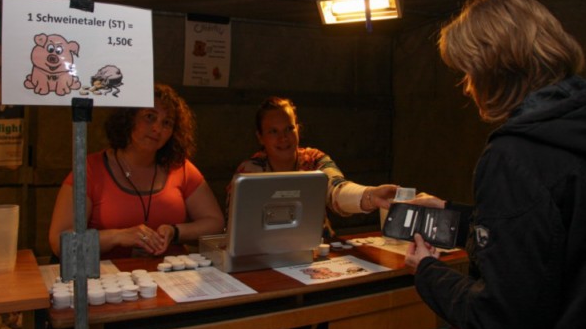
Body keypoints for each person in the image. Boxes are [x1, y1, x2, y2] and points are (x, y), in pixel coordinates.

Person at [404, 0, 586, 329]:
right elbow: (552, 232)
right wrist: (457, 215)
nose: (467, 87)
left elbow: (500, 317)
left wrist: (428, 271)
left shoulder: (513, 155)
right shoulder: (580, 126)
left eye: (468, 73)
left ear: (492, 71)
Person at [49, 83, 225, 260]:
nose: (157, 129)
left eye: (167, 123)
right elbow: (59, 242)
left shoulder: (180, 167)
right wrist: (118, 236)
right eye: (150, 117)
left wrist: (175, 232)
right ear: (129, 118)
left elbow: (216, 224)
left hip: (171, 272)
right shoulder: (90, 169)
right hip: (111, 273)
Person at [227, 96, 398, 237]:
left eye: (289, 129)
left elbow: (337, 189)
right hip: (264, 254)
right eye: (273, 131)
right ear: (260, 137)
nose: (283, 138)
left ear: (298, 129)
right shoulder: (248, 171)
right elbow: (234, 225)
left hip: (317, 250)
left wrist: (369, 195)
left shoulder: (314, 159)